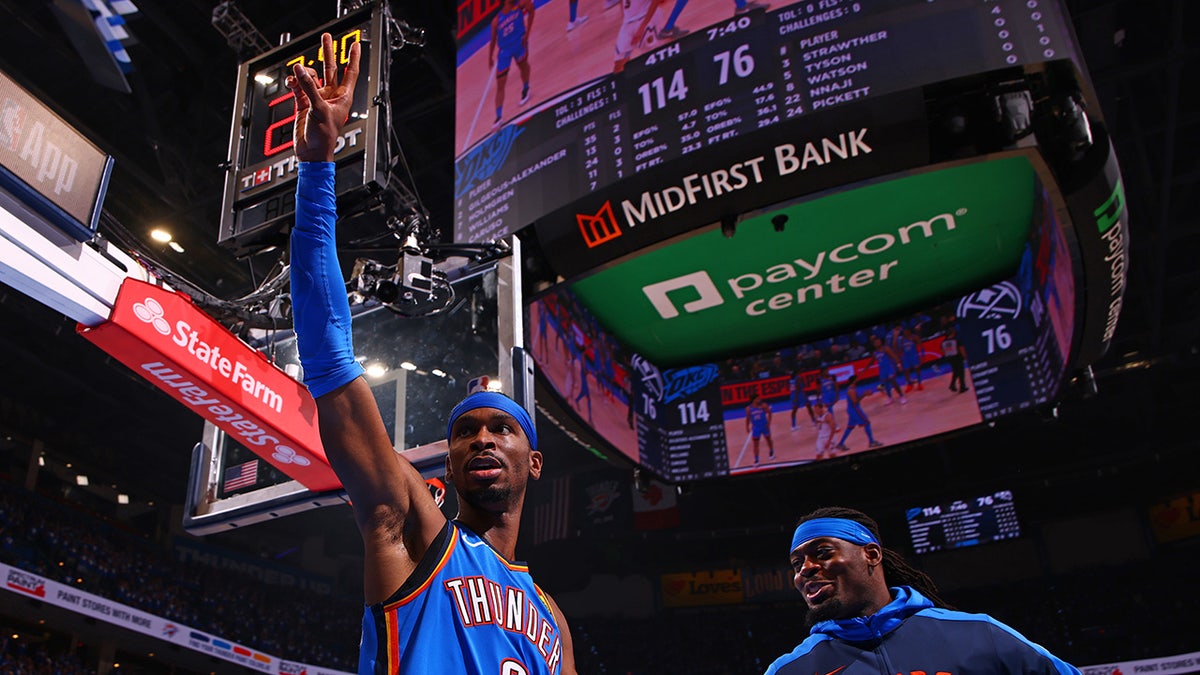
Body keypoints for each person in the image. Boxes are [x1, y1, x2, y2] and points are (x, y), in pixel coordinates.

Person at [286, 34, 575, 674]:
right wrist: (317, 168)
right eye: (465, 432)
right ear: (447, 461)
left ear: (534, 462)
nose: (482, 439)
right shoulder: (415, 529)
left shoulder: (552, 619)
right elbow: (329, 355)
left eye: (501, 428)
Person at [766, 507, 1081, 675]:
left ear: (871, 555)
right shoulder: (790, 670)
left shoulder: (978, 634)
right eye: (797, 563)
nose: (805, 569)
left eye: (822, 553)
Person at [489, 0, 535, 127]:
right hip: (505, 51)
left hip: (519, 43)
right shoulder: (496, 20)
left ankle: (526, 88)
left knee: (523, 66)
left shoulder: (520, 5)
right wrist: (490, 57)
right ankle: (498, 116)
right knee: (500, 83)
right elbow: (493, 40)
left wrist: (527, 35)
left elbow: (532, 11)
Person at [833, 375, 883, 452]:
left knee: (850, 427)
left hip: (851, 410)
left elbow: (858, 397)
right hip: (855, 409)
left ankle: (840, 444)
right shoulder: (851, 390)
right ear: (854, 381)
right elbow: (855, 401)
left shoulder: (852, 388)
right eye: (857, 380)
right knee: (867, 423)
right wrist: (864, 395)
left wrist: (869, 392)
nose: (859, 380)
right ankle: (872, 442)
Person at [745, 394, 774, 463]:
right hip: (756, 428)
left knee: (768, 439)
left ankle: (771, 451)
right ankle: (756, 459)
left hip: (764, 426)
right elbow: (748, 418)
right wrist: (747, 427)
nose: (760, 399)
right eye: (758, 399)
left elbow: (770, 413)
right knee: (755, 444)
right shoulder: (748, 408)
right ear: (754, 400)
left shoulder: (763, 405)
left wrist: (769, 423)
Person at [942, 326, 969, 393]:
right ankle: (962, 387)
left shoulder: (944, 342)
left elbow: (942, 351)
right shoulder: (956, 340)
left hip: (950, 358)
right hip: (957, 357)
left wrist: (947, 356)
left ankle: (952, 384)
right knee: (961, 372)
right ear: (953, 332)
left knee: (956, 371)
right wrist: (965, 357)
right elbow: (961, 349)